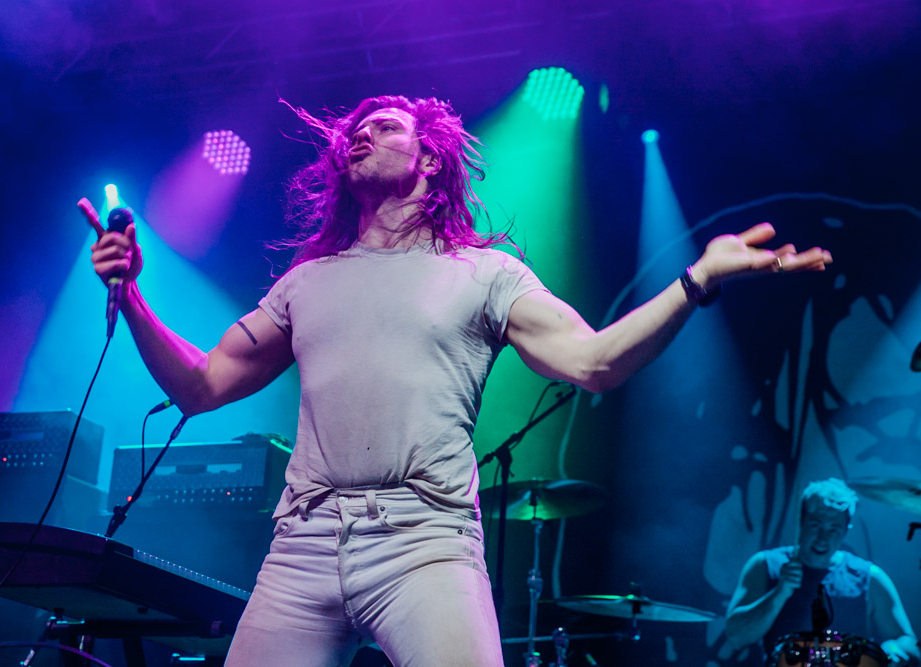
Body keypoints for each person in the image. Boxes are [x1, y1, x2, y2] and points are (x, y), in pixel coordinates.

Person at [81, 94, 832, 666]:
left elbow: (594, 361)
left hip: (423, 540)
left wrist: (696, 279)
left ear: (430, 159)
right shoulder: (307, 282)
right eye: (355, 129)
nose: (360, 134)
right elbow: (201, 386)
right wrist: (131, 296)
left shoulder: (485, 273)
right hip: (302, 541)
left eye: (384, 126)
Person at [725, 478, 919, 665]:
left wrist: (894, 651)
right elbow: (737, 637)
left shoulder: (870, 578)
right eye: (815, 525)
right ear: (801, 521)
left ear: (845, 530)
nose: (822, 537)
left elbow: (906, 641)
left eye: (834, 529)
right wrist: (779, 594)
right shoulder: (765, 565)